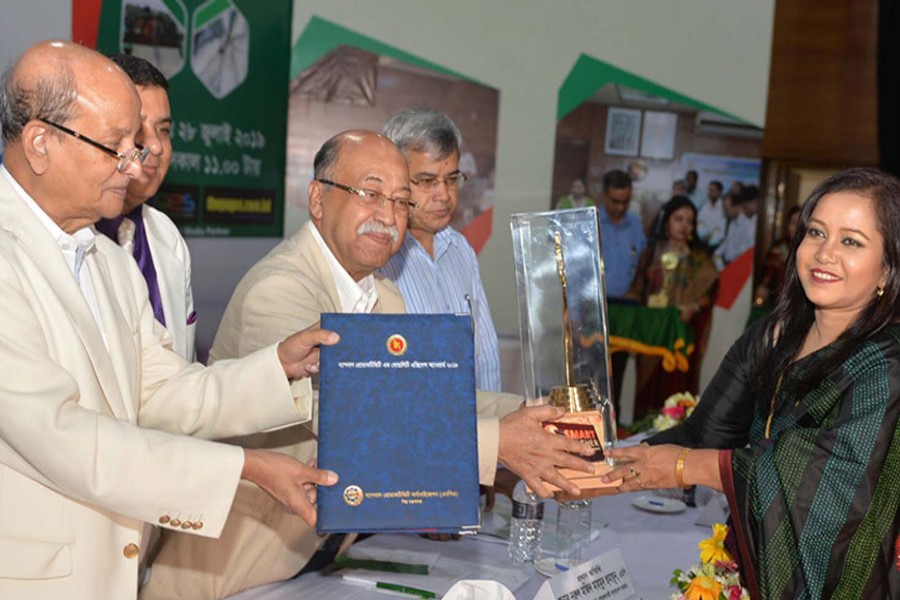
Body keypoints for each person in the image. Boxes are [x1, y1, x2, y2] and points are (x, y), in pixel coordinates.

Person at [141, 130, 594, 599]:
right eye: (370, 194)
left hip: (326, 556)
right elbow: (355, 427)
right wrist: (502, 442)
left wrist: (539, 412)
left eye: (401, 202)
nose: (387, 216)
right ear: (318, 198)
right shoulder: (279, 290)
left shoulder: (384, 294)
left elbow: (426, 399)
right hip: (237, 571)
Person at [0, 40, 343, 599]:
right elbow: (69, 441)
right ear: (40, 143)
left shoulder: (106, 258)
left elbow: (161, 390)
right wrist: (244, 468)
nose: (137, 165)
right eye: (116, 146)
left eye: (138, 144)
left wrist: (277, 367)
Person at [605, 168, 900, 598]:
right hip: (748, 570)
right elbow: (702, 433)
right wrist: (598, 465)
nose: (824, 253)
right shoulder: (774, 335)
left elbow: (823, 486)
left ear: (887, 269)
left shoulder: (886, 365)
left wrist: (685, 465)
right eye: (815, 233)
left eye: (851, 241)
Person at [379, 108, 501, 391]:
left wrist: (497, 425)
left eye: (451, 179)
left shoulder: (460, 250)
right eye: (427, 181)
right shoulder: (375, 257)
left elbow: (484, 355)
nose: (444, 195)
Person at [95, 54, 195, 360]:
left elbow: (185, 368)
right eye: (137, 129)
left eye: (164, 129)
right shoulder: (67, 236)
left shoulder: (168, 236)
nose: (156, 146)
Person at [626, 196, 718, 420]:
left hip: (680, 337)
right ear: (667, 222)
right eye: (679, 219)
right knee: (647, 389)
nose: (684, 225)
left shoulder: (699, 260)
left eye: (690, 221)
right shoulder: (650, 255)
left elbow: (710, 291)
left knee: (676, 391)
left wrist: (694, 307)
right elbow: (638, 289)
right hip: (651, 334)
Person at [597, 169, 646, 413]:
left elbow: (643, 266)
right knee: (593, 377)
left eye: (625, 201)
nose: (619, 207)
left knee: (618, 377)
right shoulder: (590, 221)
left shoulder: (635, 225)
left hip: (626, 310)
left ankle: (613, 433)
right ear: (604, 196)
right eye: (614, 201)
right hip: (595, 308)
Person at [752, 204, 801, 312]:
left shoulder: (809, 251)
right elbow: (767, 277)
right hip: (776, 303)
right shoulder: (778, 249)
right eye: (793, 223)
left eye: (799, 223)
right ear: (787, 225)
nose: (796, 227)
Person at [714, 184, 759, 269]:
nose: (725, 213)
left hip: (739, 268)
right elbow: (725, 246)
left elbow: (746, 253)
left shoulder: (749, 224)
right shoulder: (732, 223)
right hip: (728, 265)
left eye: (727, 210)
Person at [696, 180, 727, 250]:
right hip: (702, 240)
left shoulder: (723, 207)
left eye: (713, 190)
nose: (710, 193)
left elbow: (721, 227)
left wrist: (710, 235)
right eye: (709, 190)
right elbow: (700, 222)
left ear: (720, 192)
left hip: (716, 242)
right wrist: (703, 234)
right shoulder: (705, 206)